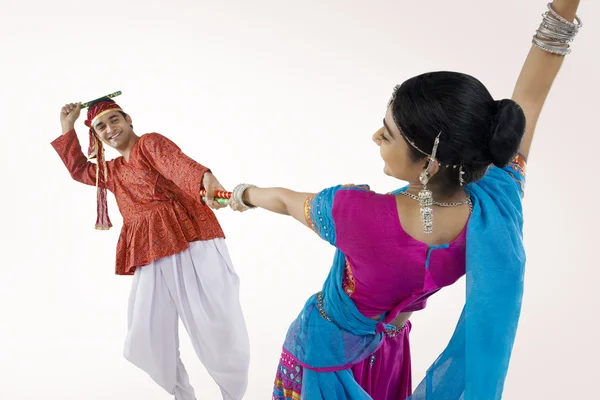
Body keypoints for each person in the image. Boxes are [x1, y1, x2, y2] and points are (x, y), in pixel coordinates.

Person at [226, 1, 583, 399]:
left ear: (429, 162)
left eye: (387, 133)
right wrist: (565, 7)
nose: (375, 138)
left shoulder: (355, 214)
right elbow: (530, 99)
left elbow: (287, 200)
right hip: (390, 352)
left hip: (323, 357)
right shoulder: (496, 199)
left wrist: (242, 195)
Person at [51, 97, 250, 400]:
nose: (109, 129)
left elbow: (178, 164)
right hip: (150, 252)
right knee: (145, 333)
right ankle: (184, 396)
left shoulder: (149, 144)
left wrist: (205, 179)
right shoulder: (113, 170)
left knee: (215, 326)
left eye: (113, 120)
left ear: (128, 119)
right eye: (100, 127)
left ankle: (233, 395)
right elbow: (79, 170)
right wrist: (68, 126)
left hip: (190, 240)